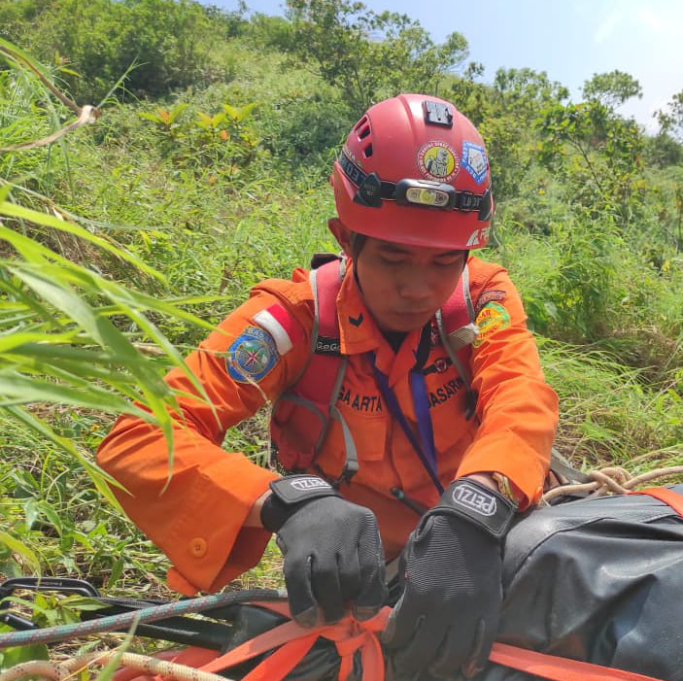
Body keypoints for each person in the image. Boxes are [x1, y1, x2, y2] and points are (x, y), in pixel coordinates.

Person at [96, 93, 559, 679]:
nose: (420, 289)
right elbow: (136, 440)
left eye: (445, 262)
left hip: (488, 544)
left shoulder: (479, 299)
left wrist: (479, 508)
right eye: (394, 258)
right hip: (365, 584)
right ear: (346, 236)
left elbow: (520, 395)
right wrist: (284, 502)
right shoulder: (293, 324)